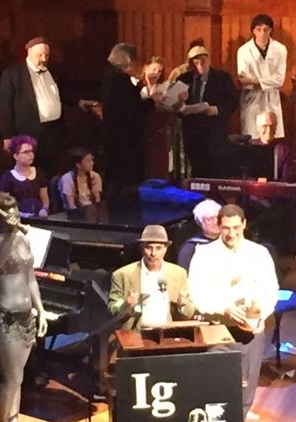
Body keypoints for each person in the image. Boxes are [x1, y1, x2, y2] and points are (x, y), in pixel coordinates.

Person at [188, 204, 279, 418]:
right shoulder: (204, 255)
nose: (232, 233)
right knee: (214, 389)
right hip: (216, 330)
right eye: (226, 228)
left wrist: (259, 314)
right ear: (218, 226)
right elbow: (196, 294)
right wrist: (224, 309)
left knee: (245, 392)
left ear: (245, 224)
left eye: (236, 227)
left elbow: (271, 290)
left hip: (250, 331)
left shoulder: (259, 253)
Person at [0, 192, 48, 422]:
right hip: (5, 317)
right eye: (9, 214)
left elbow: (30, 277)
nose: (16, 219)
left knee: (19, 380)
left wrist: (41, 309)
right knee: (10, 379)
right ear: (0, 216)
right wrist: (11, 232)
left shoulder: (23, 239)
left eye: (17, 213)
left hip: (27, 316)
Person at [0, 36, 63, 177]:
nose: (44, 59)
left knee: (50, 170)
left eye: (46, 55)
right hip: (28, 132)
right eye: (40, 55)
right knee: (29, 172)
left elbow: (61, 94)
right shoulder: (13, 74)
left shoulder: (52, 71)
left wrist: (79, 101)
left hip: (52, 131)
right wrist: (8, 136)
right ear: (28, 52)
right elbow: (5, 106)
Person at [108, 225, 195, 329]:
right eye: (148, 247)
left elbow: (189, 313)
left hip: (167, 335)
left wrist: (183, 304)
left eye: (158, 248)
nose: (153, 253)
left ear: (166, 249)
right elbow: (113, 308)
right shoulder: (122, 274)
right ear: (142, 248)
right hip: (136, 335)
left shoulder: (178, 274)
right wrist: (126, 304)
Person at [176, 45, 239, 178]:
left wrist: (216, 110)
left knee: (215, 172)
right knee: (196, 173)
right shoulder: (183, 79)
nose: (200, 65)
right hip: (192, 133)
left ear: (209, 60)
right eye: (195, 62)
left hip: (214, 133)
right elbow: (175, 108)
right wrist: (180, 103)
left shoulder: (222, 78)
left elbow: (233, 102)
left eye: (203, 61)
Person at [101, 42, 145, 192]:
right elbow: (133, 107)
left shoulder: (108, 75)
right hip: (124, 135)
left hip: (112, 131)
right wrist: (152, 102)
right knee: (125, 178)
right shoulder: (121, 79)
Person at [237, 14, 287, 140]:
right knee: (252, 137)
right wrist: (265, 81)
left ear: (270, 30)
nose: (262, 33)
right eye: (258, 30)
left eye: (265, 29)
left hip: (271, 98)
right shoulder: (243, 50)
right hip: (252, 99)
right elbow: (243, 79)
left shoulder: (280, 49)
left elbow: (279, 80)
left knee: (272, 137)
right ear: (253, 31)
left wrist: (255, 80)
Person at [0, 134, 49, 217]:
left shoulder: (39, 173)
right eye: (26, 152)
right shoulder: (8, 177)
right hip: (18, 218)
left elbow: (44, 198)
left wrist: (44, 209)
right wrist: (20, 215)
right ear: (16, 156)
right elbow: (5, 205)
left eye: (32, 151)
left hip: (39, 217)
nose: (31, 155)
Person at [177, 199, 222, 271]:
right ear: (200, 222)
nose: (215, 222)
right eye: (210, 219)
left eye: (218, 217)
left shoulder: (229, 241)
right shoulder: (189, 248)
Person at [251, 111, 293, 182]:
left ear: (276, 127)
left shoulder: (284, 151)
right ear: (258, 128)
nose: (269, 130)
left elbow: (287, 179)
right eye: (265, 126)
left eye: (272, 126)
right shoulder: (250, 148)